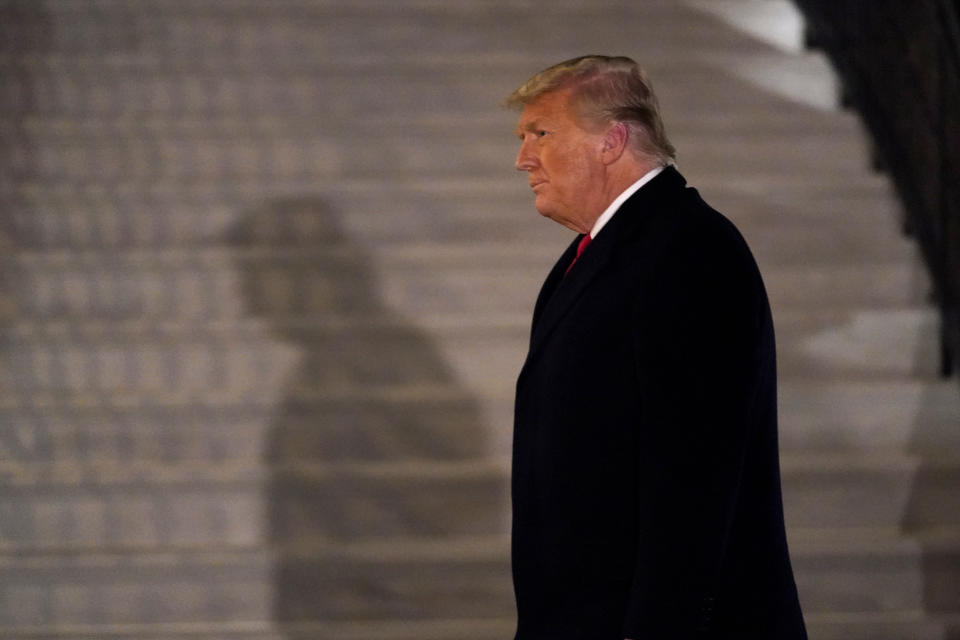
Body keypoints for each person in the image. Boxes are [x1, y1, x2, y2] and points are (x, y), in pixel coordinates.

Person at [506, 55, 807, 639]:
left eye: (541, 134)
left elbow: (694, 476)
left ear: (612, 140)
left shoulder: (690, 251)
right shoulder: (599, 253)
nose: (523, 159)